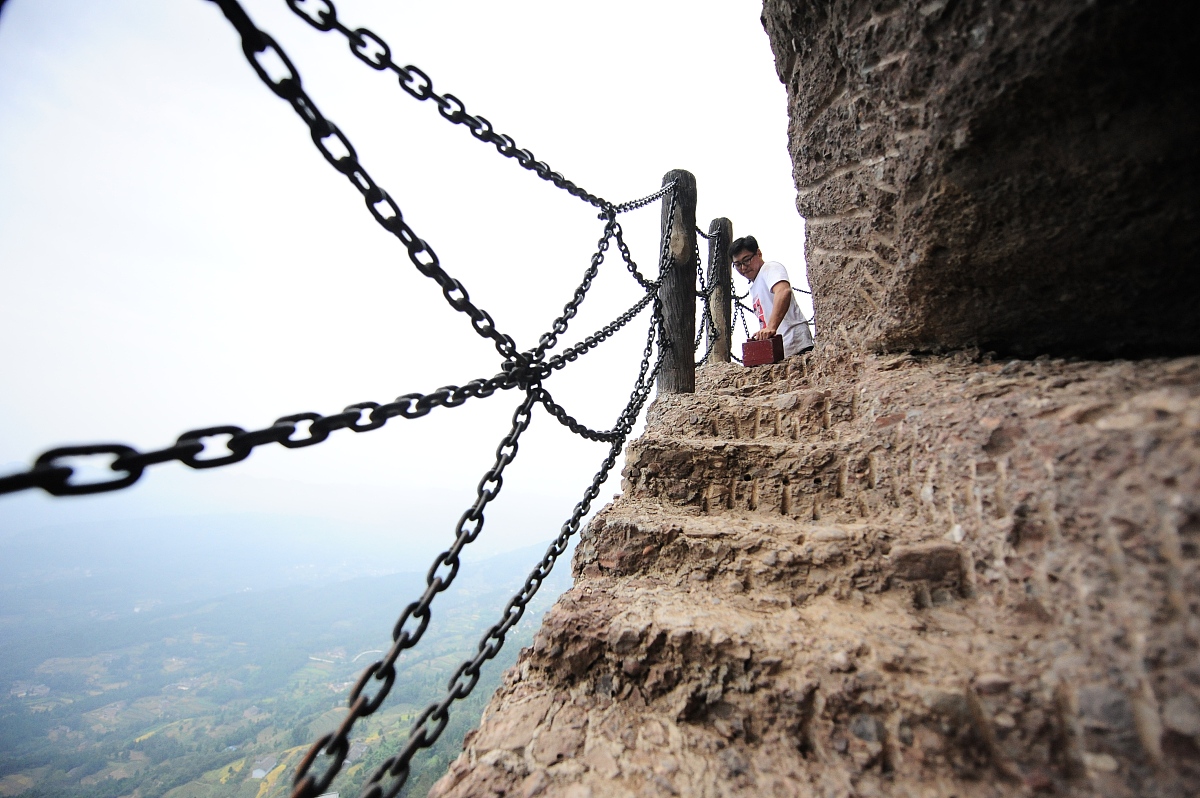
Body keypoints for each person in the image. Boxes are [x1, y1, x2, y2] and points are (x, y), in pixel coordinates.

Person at [730, 235, 814, 356]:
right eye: (738, 264)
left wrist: (771, 327)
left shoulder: (770, 268)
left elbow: (783, 291)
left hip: (795, 344)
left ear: (758, 253)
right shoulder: (754, 285)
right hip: (780, 349)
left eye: (747, 260)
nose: (743, 267)